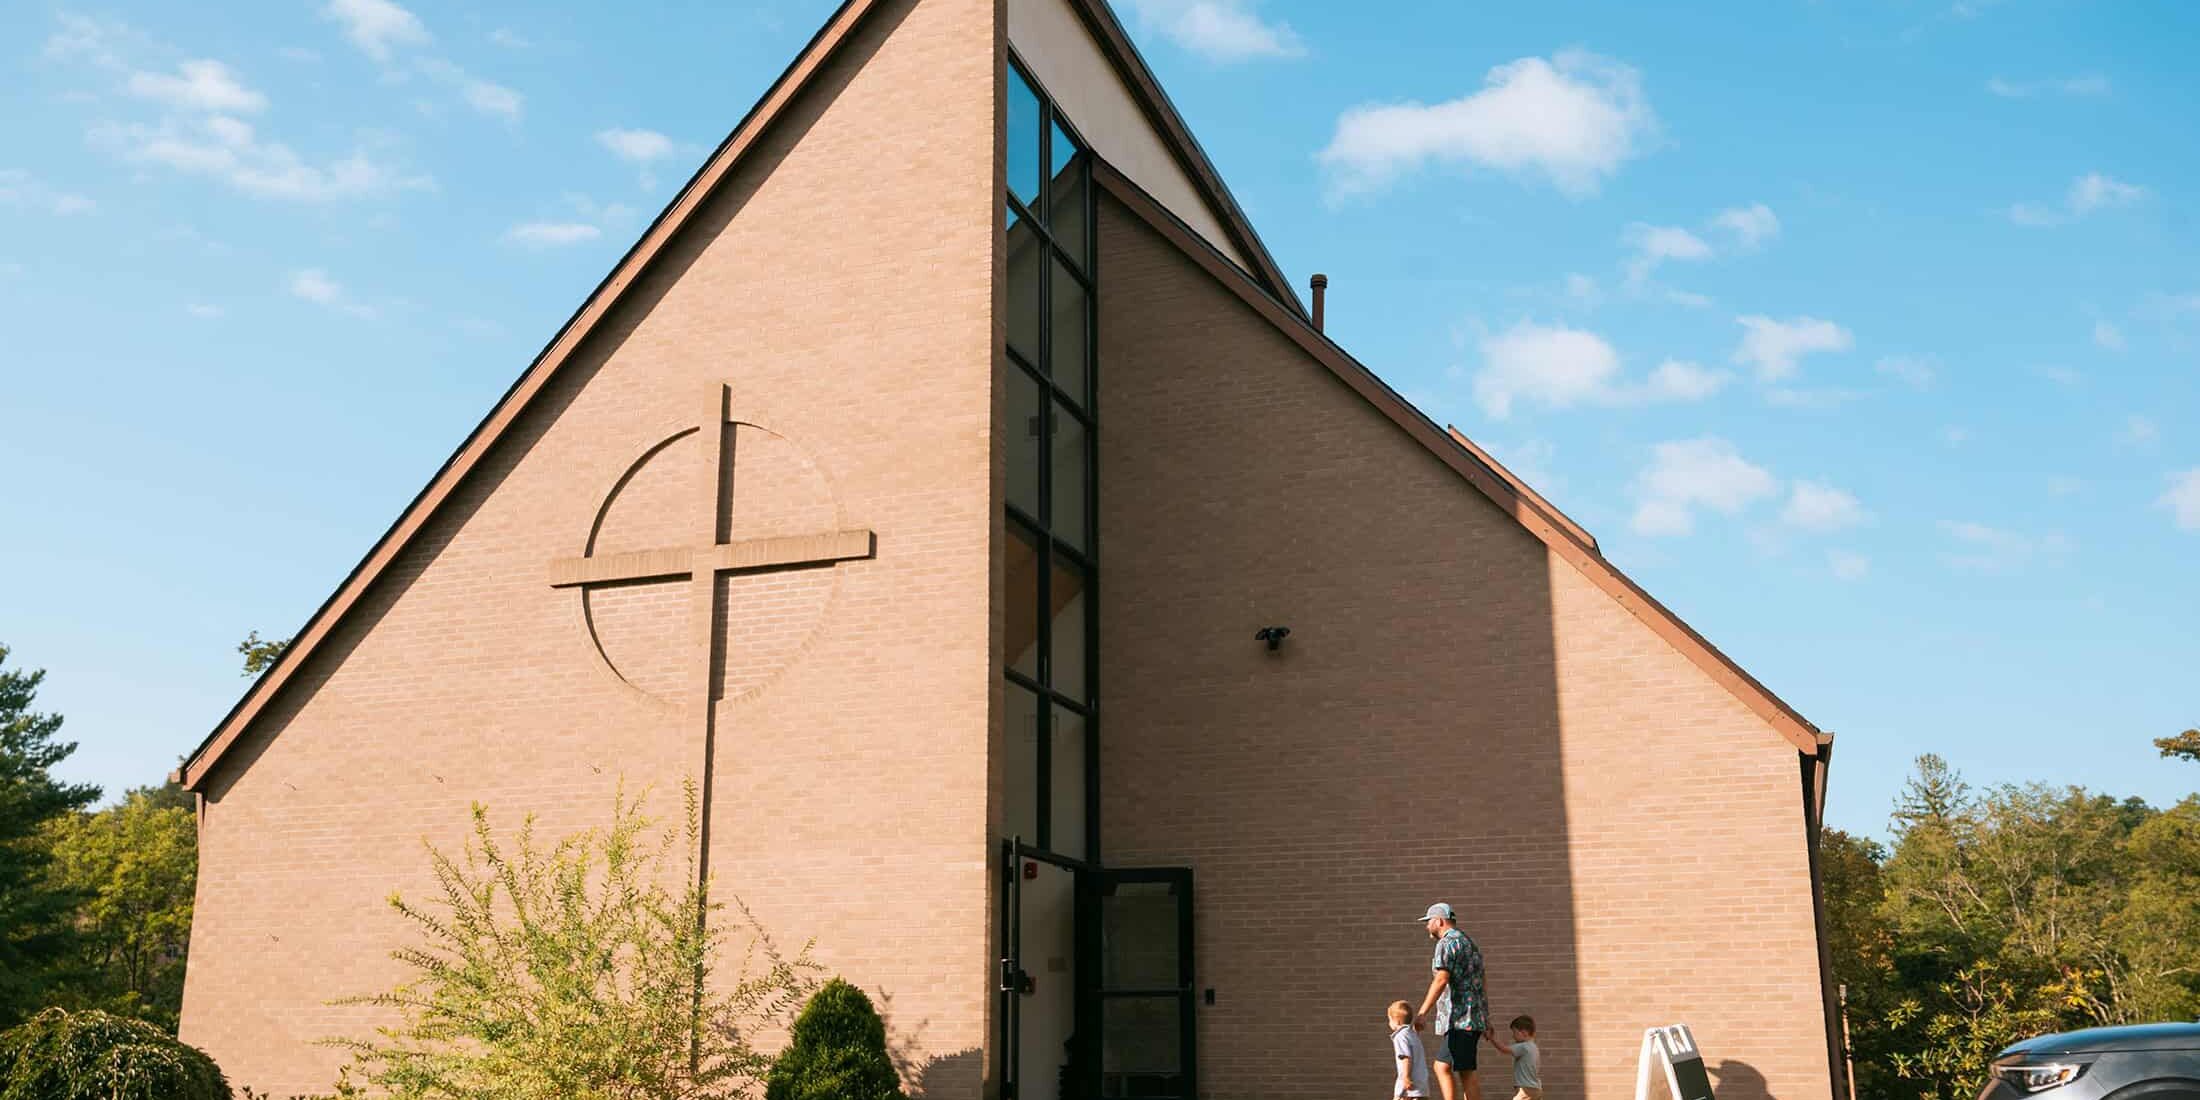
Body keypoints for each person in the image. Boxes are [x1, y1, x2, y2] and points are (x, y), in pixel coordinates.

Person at [1413, 903, 1488, 1100]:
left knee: (1462, 1071)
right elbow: (1482, 981)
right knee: (1449, 1066)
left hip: (1461, 1019)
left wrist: (1422, 1012)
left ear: (1439, 921)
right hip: (1473, 1017)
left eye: (1428, 922)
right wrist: (1485, 1017)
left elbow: (1441, 979)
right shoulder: (1470, 943)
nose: (1427, 926)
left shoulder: (1446, 944)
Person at [1486, 1014, 1542, 1100]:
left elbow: (1503, 1049)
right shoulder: (1533, 1047)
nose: (1513, 1036)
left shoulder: (1523, 1046)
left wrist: (1492, 1038)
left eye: (1514, 1033)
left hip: (1526, 1089)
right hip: (1536, 1089)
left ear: (1524, 1033)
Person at [1387, 1000, 1432, 1099]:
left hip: (1409, 1089)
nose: (1389, 1023)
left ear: (1397, 1021)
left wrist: (1406, 1077)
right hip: (1421, 1086)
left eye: (1389, 1020)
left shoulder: (1400, 1037)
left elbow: (1406, 1057)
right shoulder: (1412, 1034)